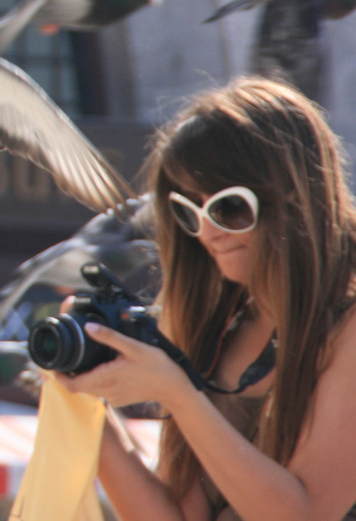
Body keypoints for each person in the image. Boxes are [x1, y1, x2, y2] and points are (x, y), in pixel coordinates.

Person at [54, 77, 356, 520]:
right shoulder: (222, 329)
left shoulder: (347, 327)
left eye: (229, 206)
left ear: (293, 197)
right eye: (188, 210)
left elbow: (304, 513)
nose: (208, 231)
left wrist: (179, 395)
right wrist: (83, 394)